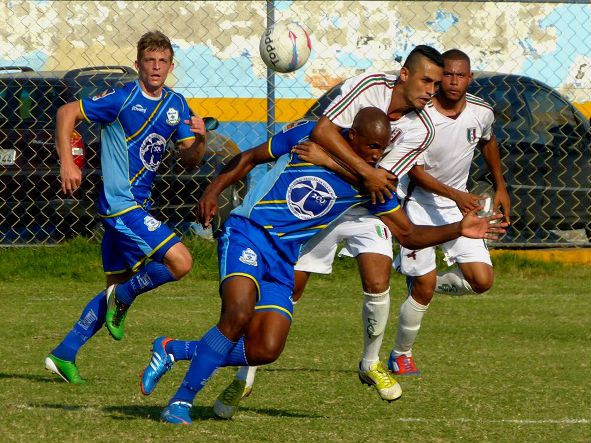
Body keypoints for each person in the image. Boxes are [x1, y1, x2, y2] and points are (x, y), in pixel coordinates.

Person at [136, 107, 506, 425]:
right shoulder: (305, 138)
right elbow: (249, 158)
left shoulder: (373, 185)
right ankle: (181, 401)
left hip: (283, 257)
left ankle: (174, 349)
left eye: (383, 148)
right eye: (371, 146)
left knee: (267, 348)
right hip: (248, 232)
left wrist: (460, 227)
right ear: (353, 134)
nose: (378, 155)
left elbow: (408, 235)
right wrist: (214, 190)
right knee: (237, 314)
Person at [212, 44, 446, 416]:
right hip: (317, 204)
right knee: (291, 288)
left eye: (437, 83)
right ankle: (243, 376)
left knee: (378, 278)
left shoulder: (423, 128)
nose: (432, 89)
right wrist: (350, 166)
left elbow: (379, 181)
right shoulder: (369, 85)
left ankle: (370, 363)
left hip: (368, 208)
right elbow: (322, 128)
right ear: (405, 74)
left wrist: (330, 159)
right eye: (427, 80)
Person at [44, 31, 206, 384]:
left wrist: (202, 138)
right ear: (138, 65)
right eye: (150, 61)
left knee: (113, 288)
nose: (156, 67)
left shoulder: (177, 105)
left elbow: (190, 159)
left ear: (171, 66)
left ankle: (64, 353)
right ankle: (125, 297)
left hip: (139, 205)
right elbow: (67, 112)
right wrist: (68, 162)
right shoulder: (121, 98)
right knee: (181, 261)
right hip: (121, 204)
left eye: (163, 61)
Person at [387, 48, 511, 375]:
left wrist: (500, 187)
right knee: (424, 290)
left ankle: (420, 280)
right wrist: (454, 194)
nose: (454, 81)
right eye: (448, 75)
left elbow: (488, 140)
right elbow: (410, 167)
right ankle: (401, 355)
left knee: (482, 281)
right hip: (417, 206)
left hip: (459, 207)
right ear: (440, 78)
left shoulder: (481, 112)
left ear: (470, 78)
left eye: (461, 75)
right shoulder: (420, 113)